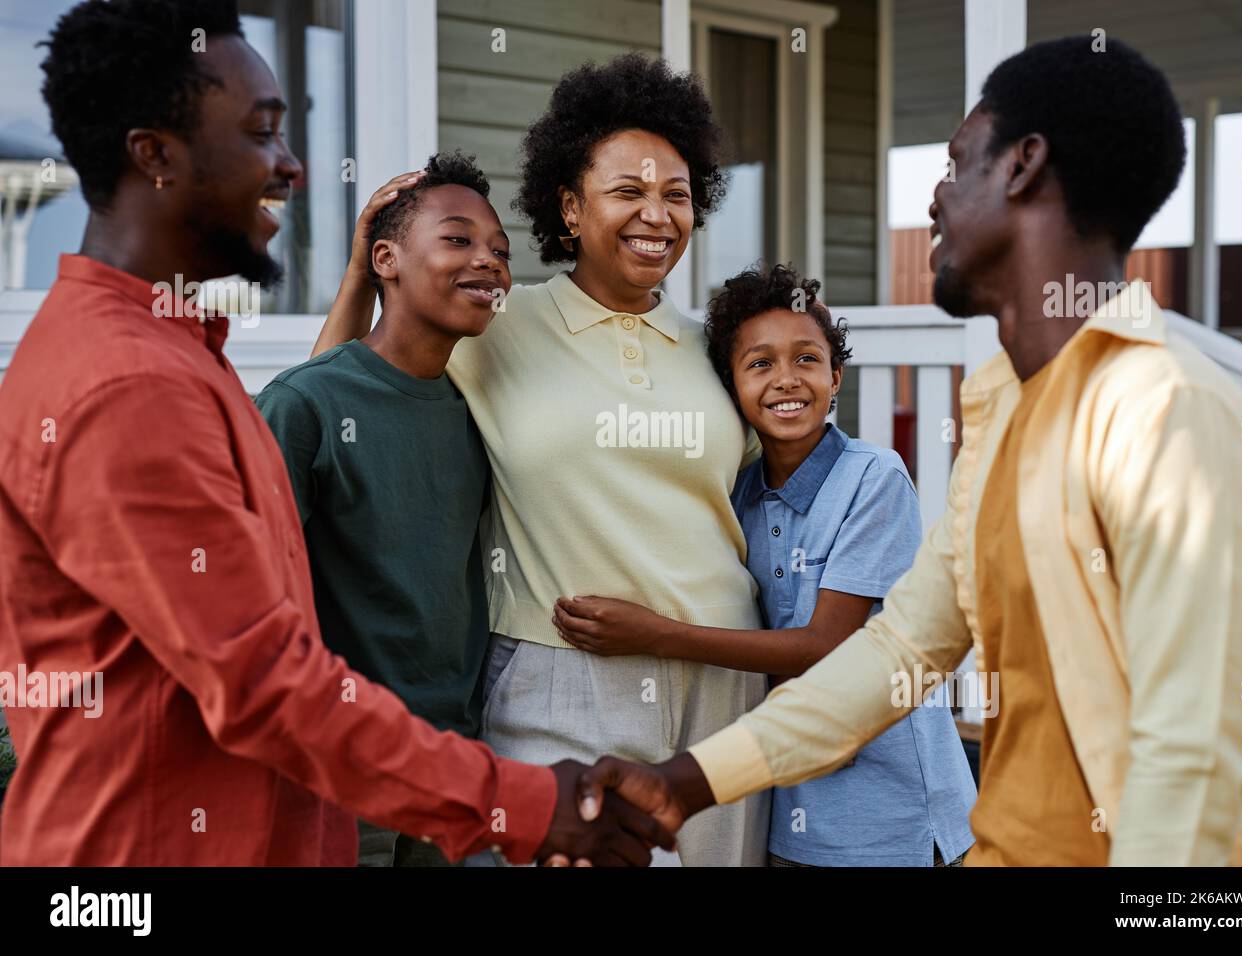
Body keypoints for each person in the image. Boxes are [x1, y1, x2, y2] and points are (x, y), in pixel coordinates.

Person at [577, 36, 1242, 866]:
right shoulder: (1002, 408)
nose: (934, 201)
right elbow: (897, 653)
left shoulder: (1167, 415)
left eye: (957, 165)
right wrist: (685, 781)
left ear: (1023, 166)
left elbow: (1192, 760)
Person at [0, 0, 670, 867]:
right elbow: (263, 682)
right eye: (262, 134)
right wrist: (525, 803)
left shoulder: (169, 353)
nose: (291, 167)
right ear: (156, 156)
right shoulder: (129, 385)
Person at [313, 54, 770, 866]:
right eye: (627, 192)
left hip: (720, 676)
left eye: (676, 195)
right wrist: (361, 272)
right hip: (557, 674)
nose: (656, 215)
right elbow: (341, 398)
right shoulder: (495, 322)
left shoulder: (720, 348)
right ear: (569, 204)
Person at [553, 264, 976, 866]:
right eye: (759, 364)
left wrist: (656, 635)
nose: (786, 380)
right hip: (793, 816)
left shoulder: (873, 477)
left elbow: (828, 645)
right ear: (730, 385)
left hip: (895, 816)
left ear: (836, 376)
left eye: (806, 360)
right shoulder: (737, 493)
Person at [256, 152, 511, 867]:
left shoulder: (479, 413)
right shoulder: (303, 404)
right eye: (457, 239)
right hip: (338, 774)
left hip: (453, 767)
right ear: (386, 259)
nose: (487, 262)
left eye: (500, 250)